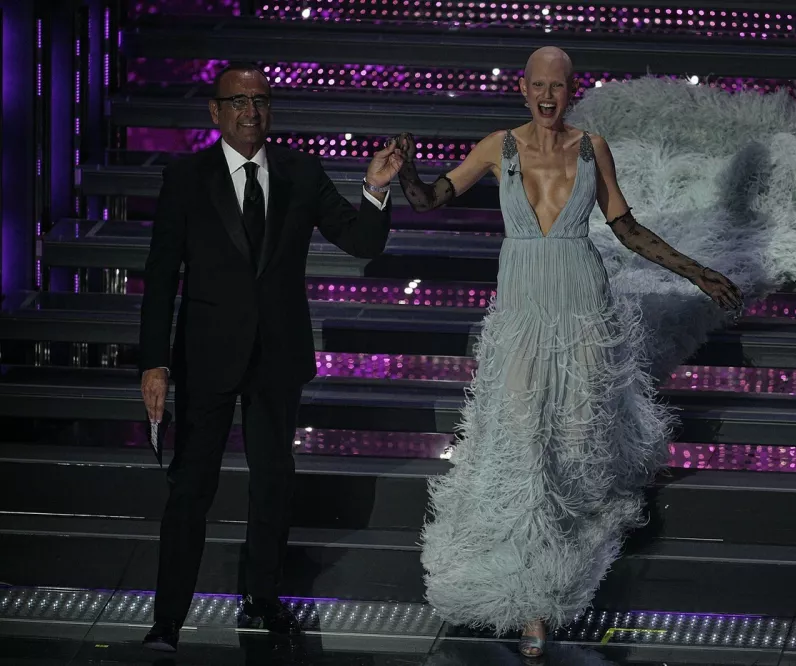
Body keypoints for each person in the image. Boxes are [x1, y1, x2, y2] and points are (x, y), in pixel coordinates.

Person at [395, 47, 741, 658]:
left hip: (582, 306)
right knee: (525, 442)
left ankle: (562, 559)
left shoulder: (591, 148)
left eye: (558, 86)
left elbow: (626, 228)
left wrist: (698, 272)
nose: (548, 96)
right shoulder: (497, 147)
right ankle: (530, 598)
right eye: (538, 86)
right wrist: (406, 173)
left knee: (574, 441)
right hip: (523, 312)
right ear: (523, 89)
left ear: (571, 89)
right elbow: (429, 199)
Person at [138, 62, 403, 652]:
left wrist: (376, 189)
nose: (250, 111)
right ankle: (167, 619)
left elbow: (361, 240)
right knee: (191, 489)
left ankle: (262, 598)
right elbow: (160, 274)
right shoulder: (186, 177)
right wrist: (154, 361)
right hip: (206, 355)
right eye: (238, 101)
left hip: (277, 355)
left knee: (273, 482)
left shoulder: (299, 172)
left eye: (259, 100)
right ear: (215, 111)